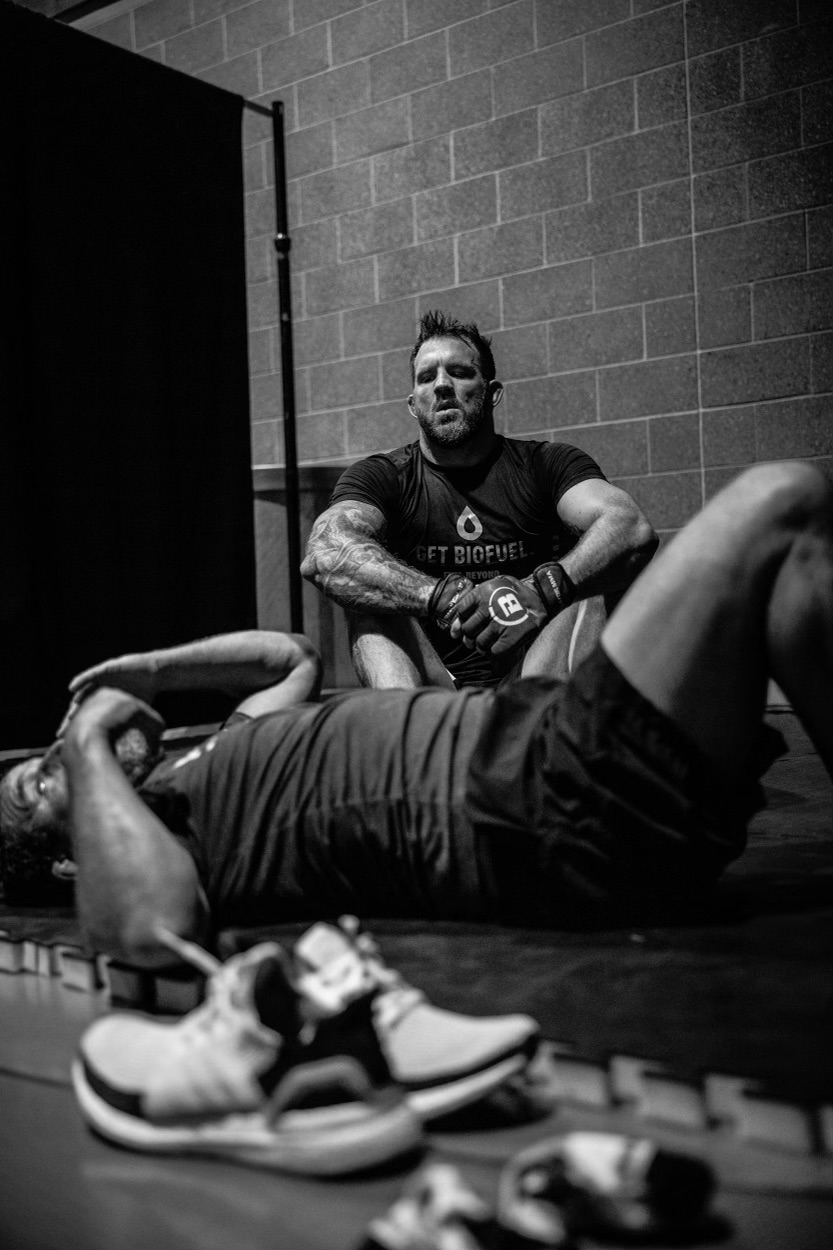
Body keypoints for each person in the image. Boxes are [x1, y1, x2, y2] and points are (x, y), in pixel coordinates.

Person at [1, 461, 831, 973]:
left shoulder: (202, 761)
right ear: (76, 864)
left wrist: (149, 669)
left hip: (538, 738)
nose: (57, 756)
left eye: (41, 759)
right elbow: (146, 931)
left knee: (785, 562)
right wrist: (84, 745)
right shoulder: (166, 854)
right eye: (40, 786)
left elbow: (287, 658)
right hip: (546, 803)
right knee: (780, 501)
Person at [302, 309, 658, 690]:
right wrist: (437, 596)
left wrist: (538, 592)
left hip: (536, 673)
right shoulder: (383, 476)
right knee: (368, 603)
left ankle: (553, 732)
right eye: (427, 377)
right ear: (413, 403)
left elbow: (631, 527)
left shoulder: (546, 464)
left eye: (459, 372)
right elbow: (325, 554)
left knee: (592, 583)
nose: (441, 386)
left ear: (492, 393)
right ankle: (416, 737)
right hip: (436, 688)